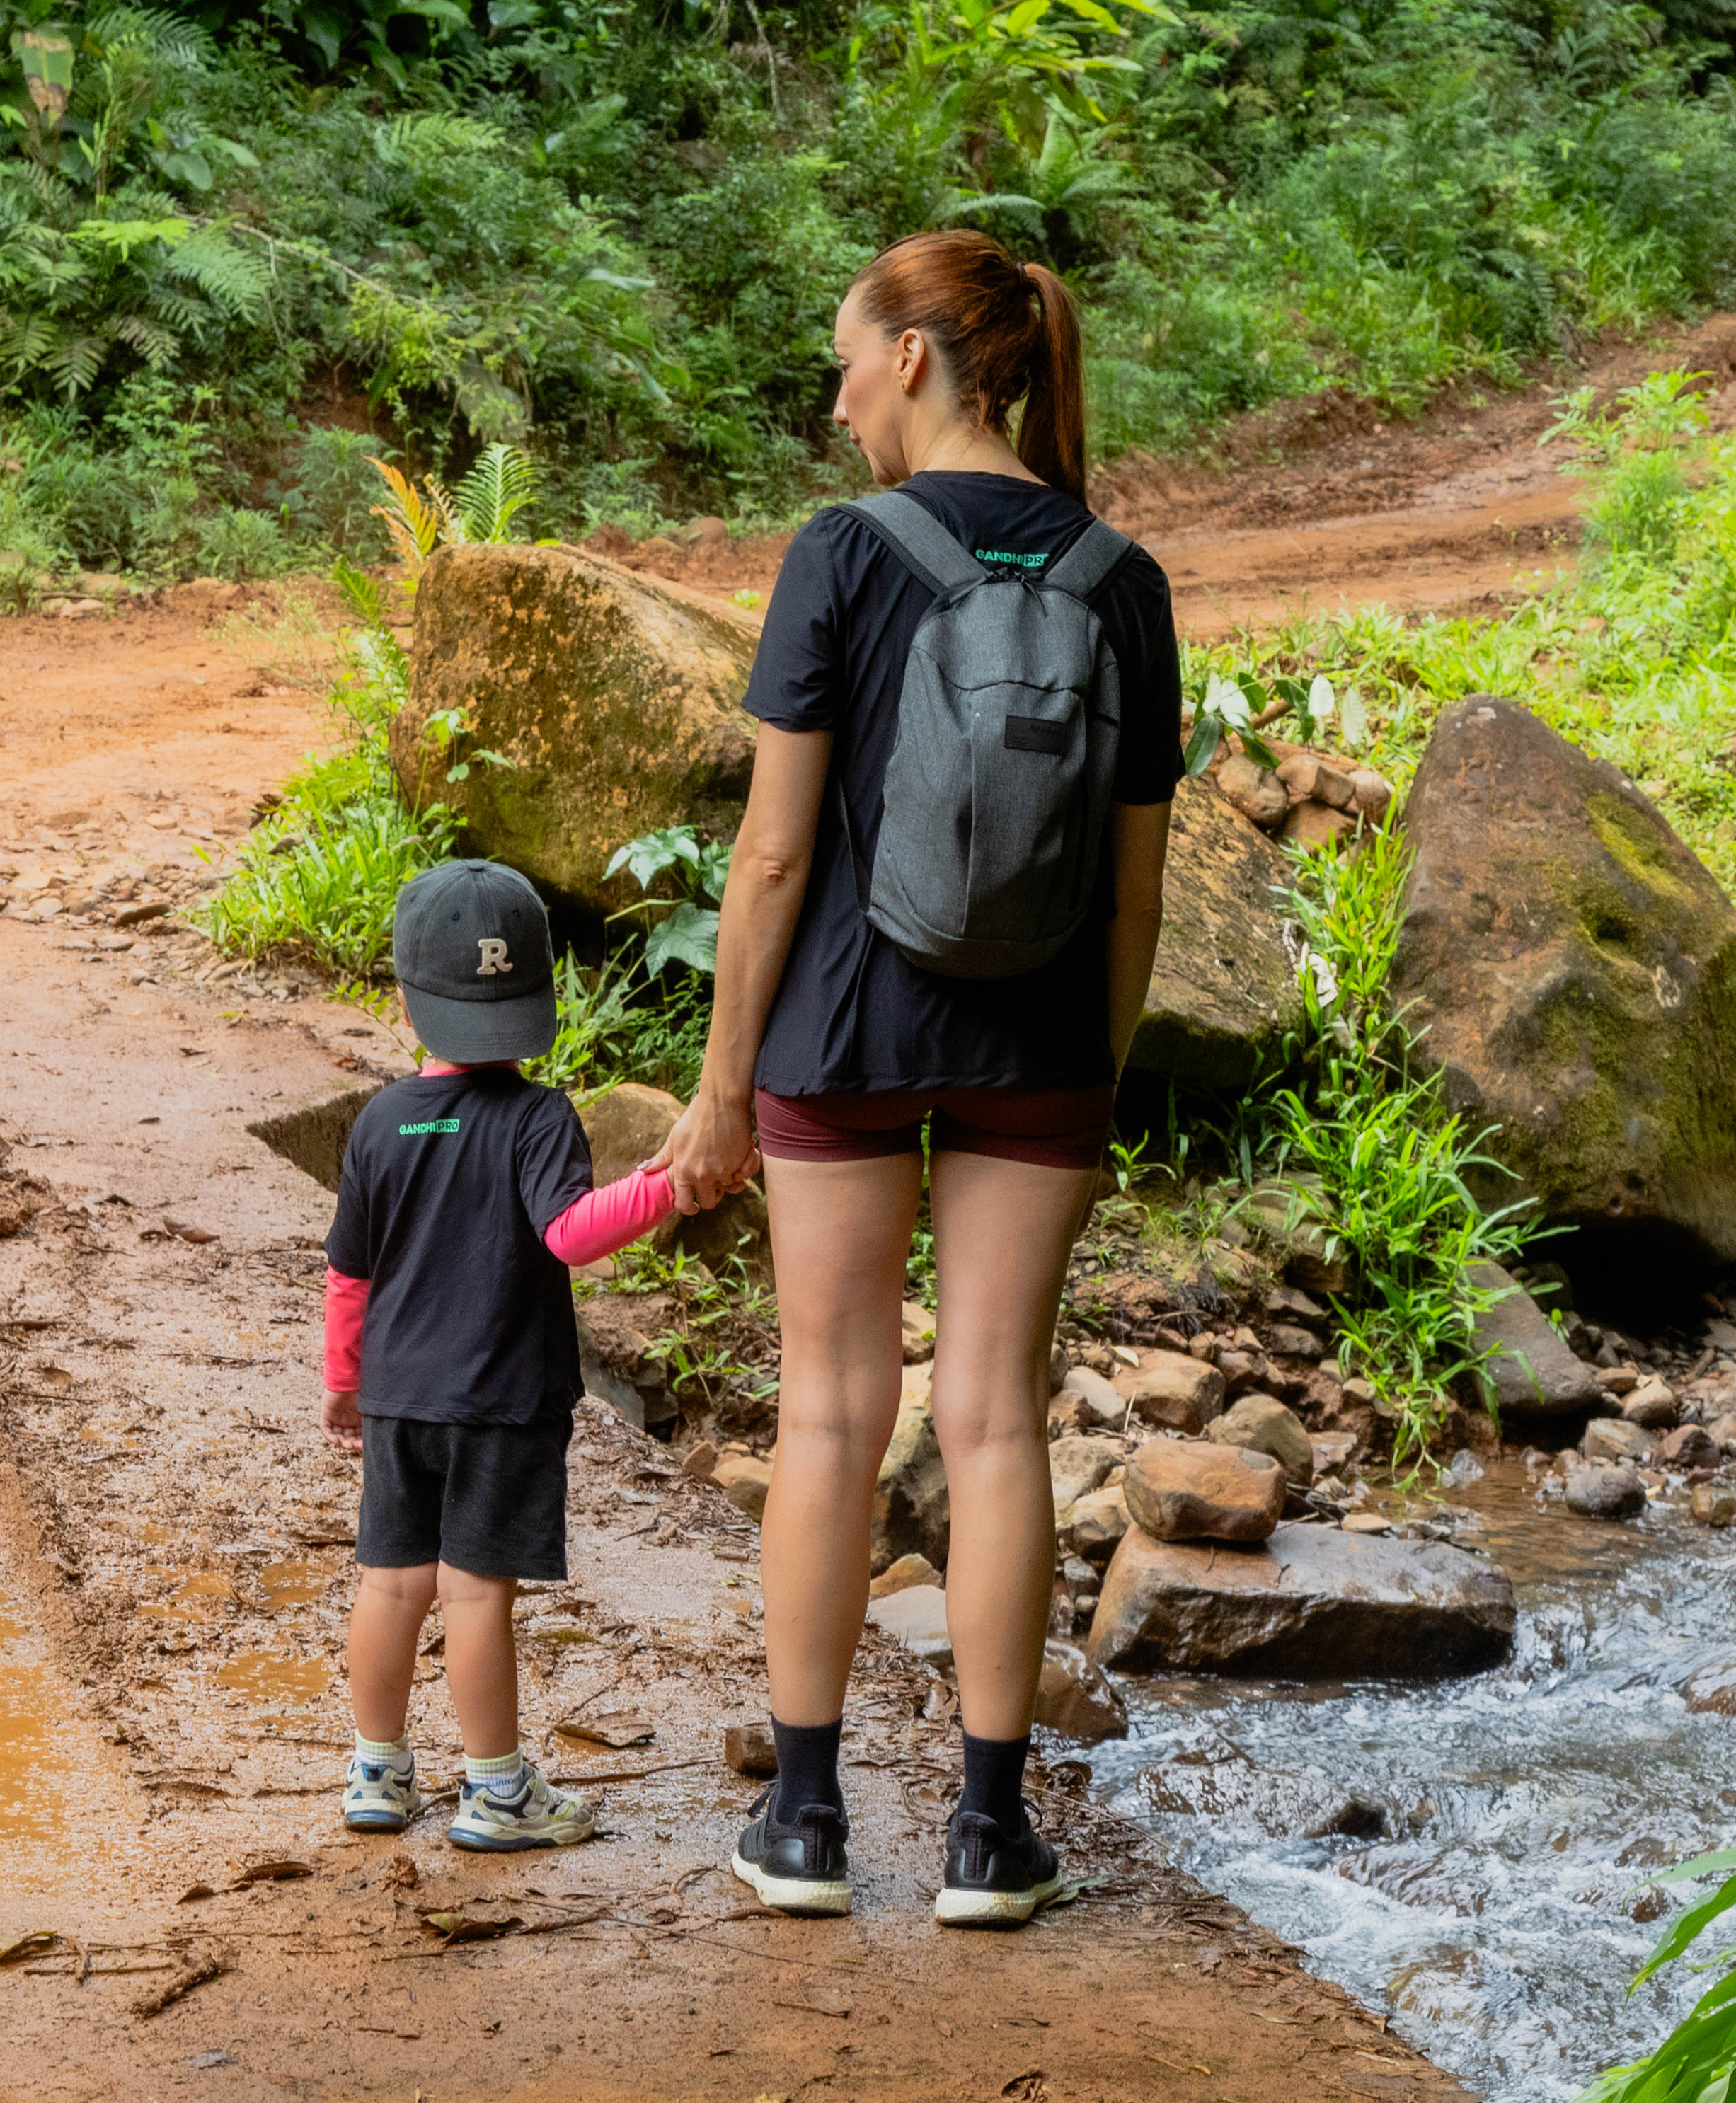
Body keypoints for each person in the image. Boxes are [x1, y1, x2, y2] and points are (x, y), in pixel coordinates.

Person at [662, 229, 1180, 1927]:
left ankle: (804, 1826)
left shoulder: (842, 556)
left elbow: (771, 855)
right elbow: (1137, 885)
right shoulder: (1123, 578)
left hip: (842, 1033)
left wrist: (724, 1079)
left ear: (911, 360)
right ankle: (986, 1835)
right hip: (1036, 1046)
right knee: (994, 1417)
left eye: (842, 363)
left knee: (830, 1408)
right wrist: (1086, 1079)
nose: (834, 405)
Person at [320, 857, 678, 1850]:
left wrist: (344, 1383)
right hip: (501, 1403)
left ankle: (377, 1774)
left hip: (398, 1396)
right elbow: (570, 1235)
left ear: (405, 1001)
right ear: (533, 1000)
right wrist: (665, 1186)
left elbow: (348, 1274)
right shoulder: (536, 1117)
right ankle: (496, 1794)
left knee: (390, 1581)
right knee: (477, 1591)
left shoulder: (382, 1120)